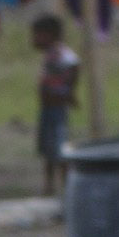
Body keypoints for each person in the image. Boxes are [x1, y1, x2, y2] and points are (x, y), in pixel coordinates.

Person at [32, 14, 80, 194]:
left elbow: (75, 64)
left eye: (37, 35)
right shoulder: (51, 55)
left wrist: (69, 92)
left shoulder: (57, 53)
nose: (34, 39)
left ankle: (65, 186)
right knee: (49, 149)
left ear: (49, 34)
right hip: (49, 107)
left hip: (55, 108)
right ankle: (50, 186)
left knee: (59, 148)